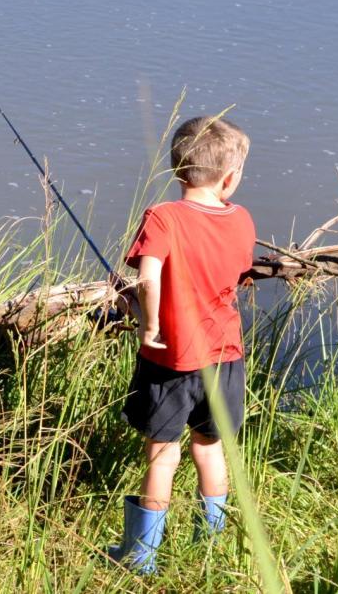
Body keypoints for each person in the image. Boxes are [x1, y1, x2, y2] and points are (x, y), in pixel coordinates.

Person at [107, 116, 256, 574]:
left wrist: (148, 322)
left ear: (177, 169)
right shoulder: (242, 219)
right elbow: (233, 273)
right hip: (225, 356)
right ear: (229, 178)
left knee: (162, 454)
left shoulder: (163, 217)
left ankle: (141, 556)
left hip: (171, 358)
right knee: (209, 449)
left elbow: (148, 278)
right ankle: (211, 543)